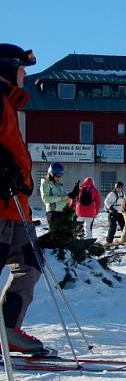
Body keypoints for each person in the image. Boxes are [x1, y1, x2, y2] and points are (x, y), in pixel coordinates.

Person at [0, 43, 46, 353]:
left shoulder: (8, 105)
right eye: (21, 70)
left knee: (31, 264)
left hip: (17, 207)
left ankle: (7, 332)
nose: (25, 76)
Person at [75, 177, 102, 241]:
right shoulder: (95, 190)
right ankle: (89, 242)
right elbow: (98, 202)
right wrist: (96, 212)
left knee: (79, 227)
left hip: (79, 212)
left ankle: (79, 240)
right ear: (92, 183)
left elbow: (74, 200)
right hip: (90, 213)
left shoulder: (79, 189)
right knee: (88, 228)